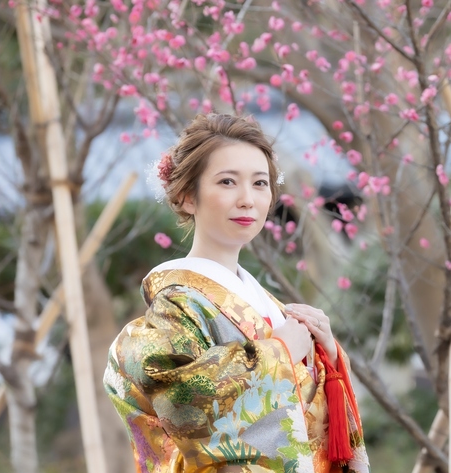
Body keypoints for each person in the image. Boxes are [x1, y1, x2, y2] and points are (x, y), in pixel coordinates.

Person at [103, 113, 370, 473]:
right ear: (187, 197)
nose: (247, 200)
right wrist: (280, 353)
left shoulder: (268, 305)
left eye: (260, 183)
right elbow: (180, 400)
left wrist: (328, 359)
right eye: (227, 182)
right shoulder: (178, 303)